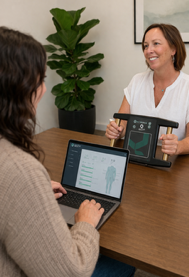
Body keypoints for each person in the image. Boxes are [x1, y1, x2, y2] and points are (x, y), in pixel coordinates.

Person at [0, 27, 135, 277]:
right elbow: (70, 272)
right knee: (125, 259)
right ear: (22, 88)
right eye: (40, 79)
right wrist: (84, 222)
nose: (43, 88)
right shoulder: (20, 171)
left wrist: (34, 192)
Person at [106, 23, 189, 155]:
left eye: (156, 43)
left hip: (179, 161)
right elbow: (123, 124)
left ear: (173, 49)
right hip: (139, 154)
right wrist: (117, 131)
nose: (149, 50)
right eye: (145, 45)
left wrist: (178, 146)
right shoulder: (137, 81)